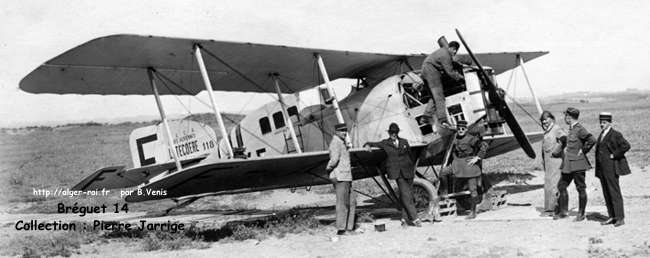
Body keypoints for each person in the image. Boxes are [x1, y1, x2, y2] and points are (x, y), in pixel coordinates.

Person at [364, 123, 422, 227]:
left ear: (398, 133)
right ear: (389, 133)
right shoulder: (385, 143)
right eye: (391, 132)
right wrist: (367, 145)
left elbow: (410, 154)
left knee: (407, 195)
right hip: (397, 173)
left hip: (408, 171)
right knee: (405, 194)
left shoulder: (404, 142)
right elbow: (372, 143)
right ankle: (415, 218)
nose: (393, 134)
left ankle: (404, 219)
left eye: (395, 132)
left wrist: (410, 166)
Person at [555, 107, 596, 221]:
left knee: (580, 188)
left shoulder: (580, 129)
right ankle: (563, 212)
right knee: (561, 186)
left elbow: (592, 139)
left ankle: (581, 214)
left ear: (569, 117)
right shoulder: (571, 129)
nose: (565, 118)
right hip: (568, 164)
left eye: (565, 116)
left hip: (578, 164)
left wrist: (583, 150)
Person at [594, 112, 630, 227]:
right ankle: (611, 216)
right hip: (602, 169)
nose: (601, 124)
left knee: (614, 192)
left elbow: (626, 146)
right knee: (606, 193)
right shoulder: (602, 134)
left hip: (611, 168)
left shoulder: (615, 134)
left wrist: (614, 155)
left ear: (610, 123)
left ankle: (620, 218)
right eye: (600, 122)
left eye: (604, 122)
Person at [448, 120, 488, 219]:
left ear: (466, 129)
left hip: (469, 164)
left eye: (462, 129)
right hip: (459, 164)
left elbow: (484, 145)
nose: (460, 130)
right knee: (443, 173)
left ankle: (473, 212)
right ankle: (448, 197)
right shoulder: (455, 138)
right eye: (458, 129)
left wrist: (478, 157)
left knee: (472, 190)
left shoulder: (471, 139)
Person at [421, 40, 464, 128]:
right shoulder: (446, 56)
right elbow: (450, 72)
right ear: (450, 48)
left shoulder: (443, 51)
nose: (455, 52)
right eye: (454, 49)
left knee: (434, 97)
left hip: (425, 70)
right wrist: (461, 78)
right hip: (431, 71)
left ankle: (426, 116)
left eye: (456, 50)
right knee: (440, 97)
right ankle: (443, 120)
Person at [326, 123, 356, 236]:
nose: (344, 132)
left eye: (345, 130)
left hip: (346, 176)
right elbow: (334, 160)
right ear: (336, 132)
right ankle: (341, 229)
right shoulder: (336, 142)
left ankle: (349, 228)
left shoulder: (341, 142)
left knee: (352, 201)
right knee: (342, 204)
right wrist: (328, 169)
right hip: (340, 177)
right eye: (342, 130)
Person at [540, 111, 566, 215]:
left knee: (554, 185)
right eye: (542, 120)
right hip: (548, 163)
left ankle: (555, 209)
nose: (544, 122)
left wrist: (557, 151)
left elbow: (564, 139)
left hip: (556, 162)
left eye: (546, 119)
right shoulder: (547, 131)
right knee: (548, 185)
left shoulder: (556, 129)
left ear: (552, 118)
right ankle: (549, 209)